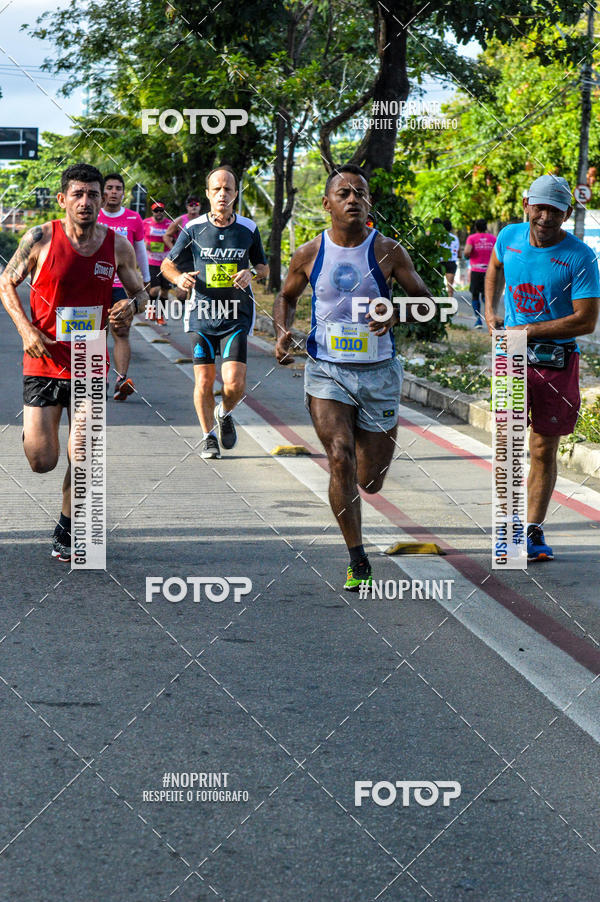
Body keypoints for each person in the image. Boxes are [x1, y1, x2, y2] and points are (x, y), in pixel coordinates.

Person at [274, 163, 432, 592]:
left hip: (379, 374)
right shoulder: (308, 253)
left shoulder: (388, 252)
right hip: (327, 372)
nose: (352, 200)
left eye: (359, 193)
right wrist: (283, 331)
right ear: (327, 204)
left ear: (369, 203)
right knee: (339, 456)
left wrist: (399, 312)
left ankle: (369, 481)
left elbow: (430, 304)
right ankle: (356, 557)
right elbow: (285, 298)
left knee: (370, 479)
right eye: (343, 194)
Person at [0, 162, 149, 562]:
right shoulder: (40, 237)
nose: (85, 202)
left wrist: (128, 306)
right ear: (63, 199)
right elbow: (5, 282)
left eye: (93, 194)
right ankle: (35, 435)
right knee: (42, 460)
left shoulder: (117, 245)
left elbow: (140, 293)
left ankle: (67, 528)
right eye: (78, 194)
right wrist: (26, 330)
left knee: (85, 452)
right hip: (44, 358)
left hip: (88, 359)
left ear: (104, 199)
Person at [485, 174, 600, 561]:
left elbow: (586, 321)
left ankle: (531, 530)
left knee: (541, 447)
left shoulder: (580, 257)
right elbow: (495, 267)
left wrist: (529, 328)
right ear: (526, 205)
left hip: (558, 360)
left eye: (556, 210)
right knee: (507, 443)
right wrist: (491, 311)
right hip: (511, 353)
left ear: (567, 213)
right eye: (540, 207)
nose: (546, 216)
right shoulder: (509, 237)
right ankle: (508, 528)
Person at [161, 165, 269, 459]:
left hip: (237, 313)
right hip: (202, 314)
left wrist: (252, 274)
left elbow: (262, 265)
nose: (223, 194)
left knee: (234, 383)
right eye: (217, 189)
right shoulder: (194, 228)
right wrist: (178, 278)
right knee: (205, 381)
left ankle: (224, 411)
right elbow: (167, 265)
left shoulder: (248, 228)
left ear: (236, 193)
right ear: (208, 194)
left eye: (228, 189)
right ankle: (208, 436)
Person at [98, 172, 150, 399]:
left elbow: (140, 252)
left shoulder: (133, 219)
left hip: (122, 285)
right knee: (96, 334)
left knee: (122, 330)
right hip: (96, 284)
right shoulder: (92, 216)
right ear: (102, 192)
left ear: (123, 193)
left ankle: (121, 379)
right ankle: (97, 379)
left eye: (118, 188)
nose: (113, 192)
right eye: (109, 188)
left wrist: (145, 282)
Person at [164, 194, 202, 302]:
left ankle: (193, 309)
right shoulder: (180, 220)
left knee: (199, 288)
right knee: (181, 293)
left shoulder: (204, 220)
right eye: (191, 205)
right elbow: (166, 236)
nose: (193, 206)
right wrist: (174, 250)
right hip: (184, 258)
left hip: (199, 257)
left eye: (196, 204)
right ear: (187, 207)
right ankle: (183, 305)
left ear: (200, 206)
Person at [464, 218, 496, 329]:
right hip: (490, 271)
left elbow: (467, 252)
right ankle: (491, 319)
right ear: (486, 227)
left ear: (476, 228)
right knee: (487, 296)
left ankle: (478, 320)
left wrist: (467, 255)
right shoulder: (493, 239)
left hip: (476, 271)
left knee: (475, 295)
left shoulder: (472, 238)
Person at [143, 202, 171, 318]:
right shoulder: (145, 223)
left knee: (164, 291)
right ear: (152, 211)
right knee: (154, 290)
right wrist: (144, 245)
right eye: (156, 210)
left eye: (161, 210)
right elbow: (139, 239)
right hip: (151, 261)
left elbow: (177, 239)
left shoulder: (170, 224)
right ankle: (151, 310)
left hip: (166, 262)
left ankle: (160, 316)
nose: (159, 213)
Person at [434, 218, 460, 298]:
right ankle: (449, 307)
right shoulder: (455, 238)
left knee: (437, 287)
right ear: (451, 228)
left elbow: (435, 249)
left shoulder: (439, 238)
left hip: (440, 263)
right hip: (451, 263)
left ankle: (437, 305)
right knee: (450, 288)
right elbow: (459, 253)